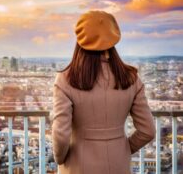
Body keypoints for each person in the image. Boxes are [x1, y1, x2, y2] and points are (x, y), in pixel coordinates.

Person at [51, 10, 156, 174]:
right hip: (118, 164)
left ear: (80, 40)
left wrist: (61, 159)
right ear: (113, 38)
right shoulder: (131, 78)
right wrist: (124, 148)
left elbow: (61, 135)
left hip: (78, 165)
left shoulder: (66, 79)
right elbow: (148, 130)